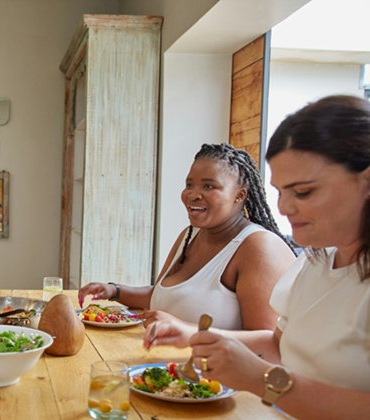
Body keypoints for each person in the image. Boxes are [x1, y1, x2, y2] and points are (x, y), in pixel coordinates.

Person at [147, 95, 370, 419]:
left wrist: (260, 379)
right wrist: (196, 336)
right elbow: (280, 343)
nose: (282, 208)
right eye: (280, 191)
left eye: (304, 191)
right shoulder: (317, 261)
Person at [79, 143, 297, 334]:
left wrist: (186, 330)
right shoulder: (190, 235)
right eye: (189, 184)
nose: (193, 194)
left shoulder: (259, 247)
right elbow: (165, 296)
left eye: (209, 186)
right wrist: (115, 291)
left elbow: (268, 344)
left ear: (239, 195)